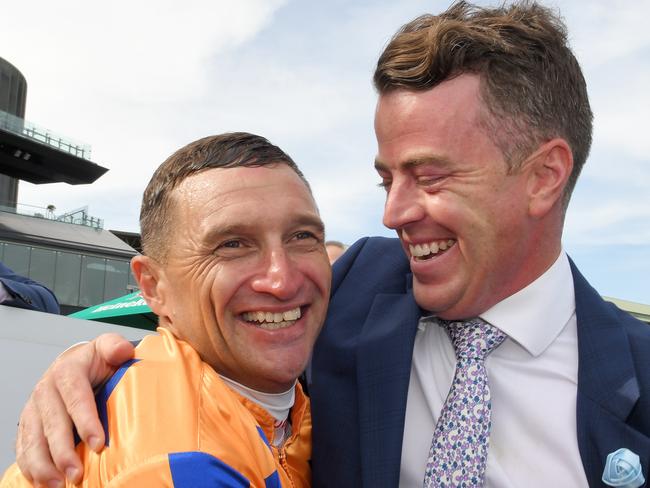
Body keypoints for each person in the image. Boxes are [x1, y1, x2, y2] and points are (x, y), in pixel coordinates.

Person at [12, 2, 650, 487]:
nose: (393, 212)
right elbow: (215, 323)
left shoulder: (637, 372)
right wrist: (94, 364)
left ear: (544, 175)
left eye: (429, 177)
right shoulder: (353, 287)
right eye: (387, 177)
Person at [2, 132, 330, 486]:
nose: (282, 281)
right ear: (153, 287)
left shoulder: (280, 404)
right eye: (232, 244)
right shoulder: (180, 463)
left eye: (303, 236)